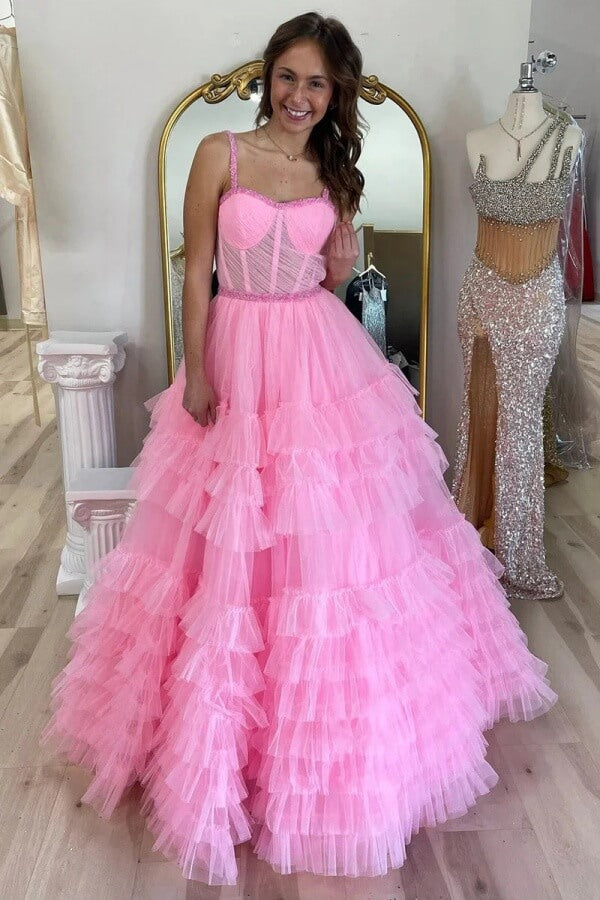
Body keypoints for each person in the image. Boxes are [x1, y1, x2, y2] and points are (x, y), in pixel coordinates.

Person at [43, 12, 557, 887]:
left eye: (317, 83)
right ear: (267, 77)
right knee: (227, 543)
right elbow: (195, 268)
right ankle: (211, 747)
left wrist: (343, 256)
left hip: (317, 352)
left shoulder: (334, 170)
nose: (299, 95)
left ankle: (328, 748)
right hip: (236, 349)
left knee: (325, 540)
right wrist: (197, 369)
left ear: (334, 93)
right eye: (288, 76)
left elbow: (330, 277)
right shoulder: (219, 155)